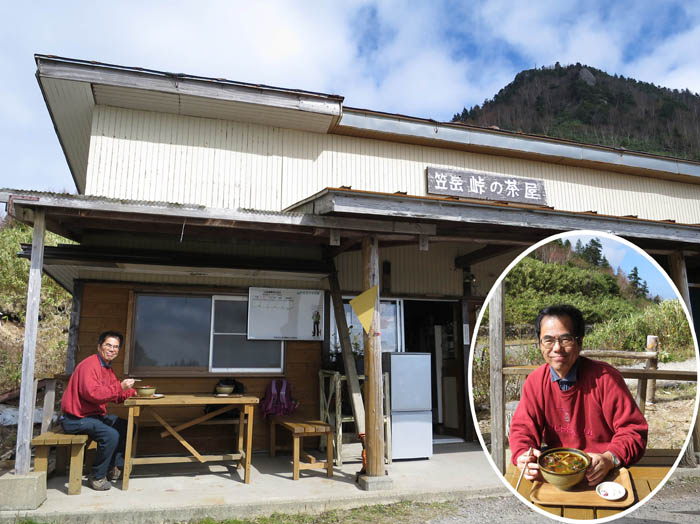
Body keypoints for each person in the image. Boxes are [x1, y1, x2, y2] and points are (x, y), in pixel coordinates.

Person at [509, 305, 648, 486]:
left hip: (603, 473)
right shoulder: (535, 381)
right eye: (548, 340)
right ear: (539, 344)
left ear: (579, 341)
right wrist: (523, 455)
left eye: (565, 339)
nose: (557, 348)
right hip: (554, 474)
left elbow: (633, 431)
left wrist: (609, 459)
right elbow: (522, 429)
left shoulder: (606, 379)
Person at [60, 330, 136, 491]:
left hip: (94, 417)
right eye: (108, 345)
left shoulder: (107, 368)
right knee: (110, 434)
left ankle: (115, 467)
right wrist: (120, 387)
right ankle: (97, 476)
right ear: (99, 346)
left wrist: (133, 392)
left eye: (116, 347)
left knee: (126, 426)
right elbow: (94, 394)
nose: (112, 349)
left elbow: (115, 395)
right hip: (75, 419)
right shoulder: (89, 365)